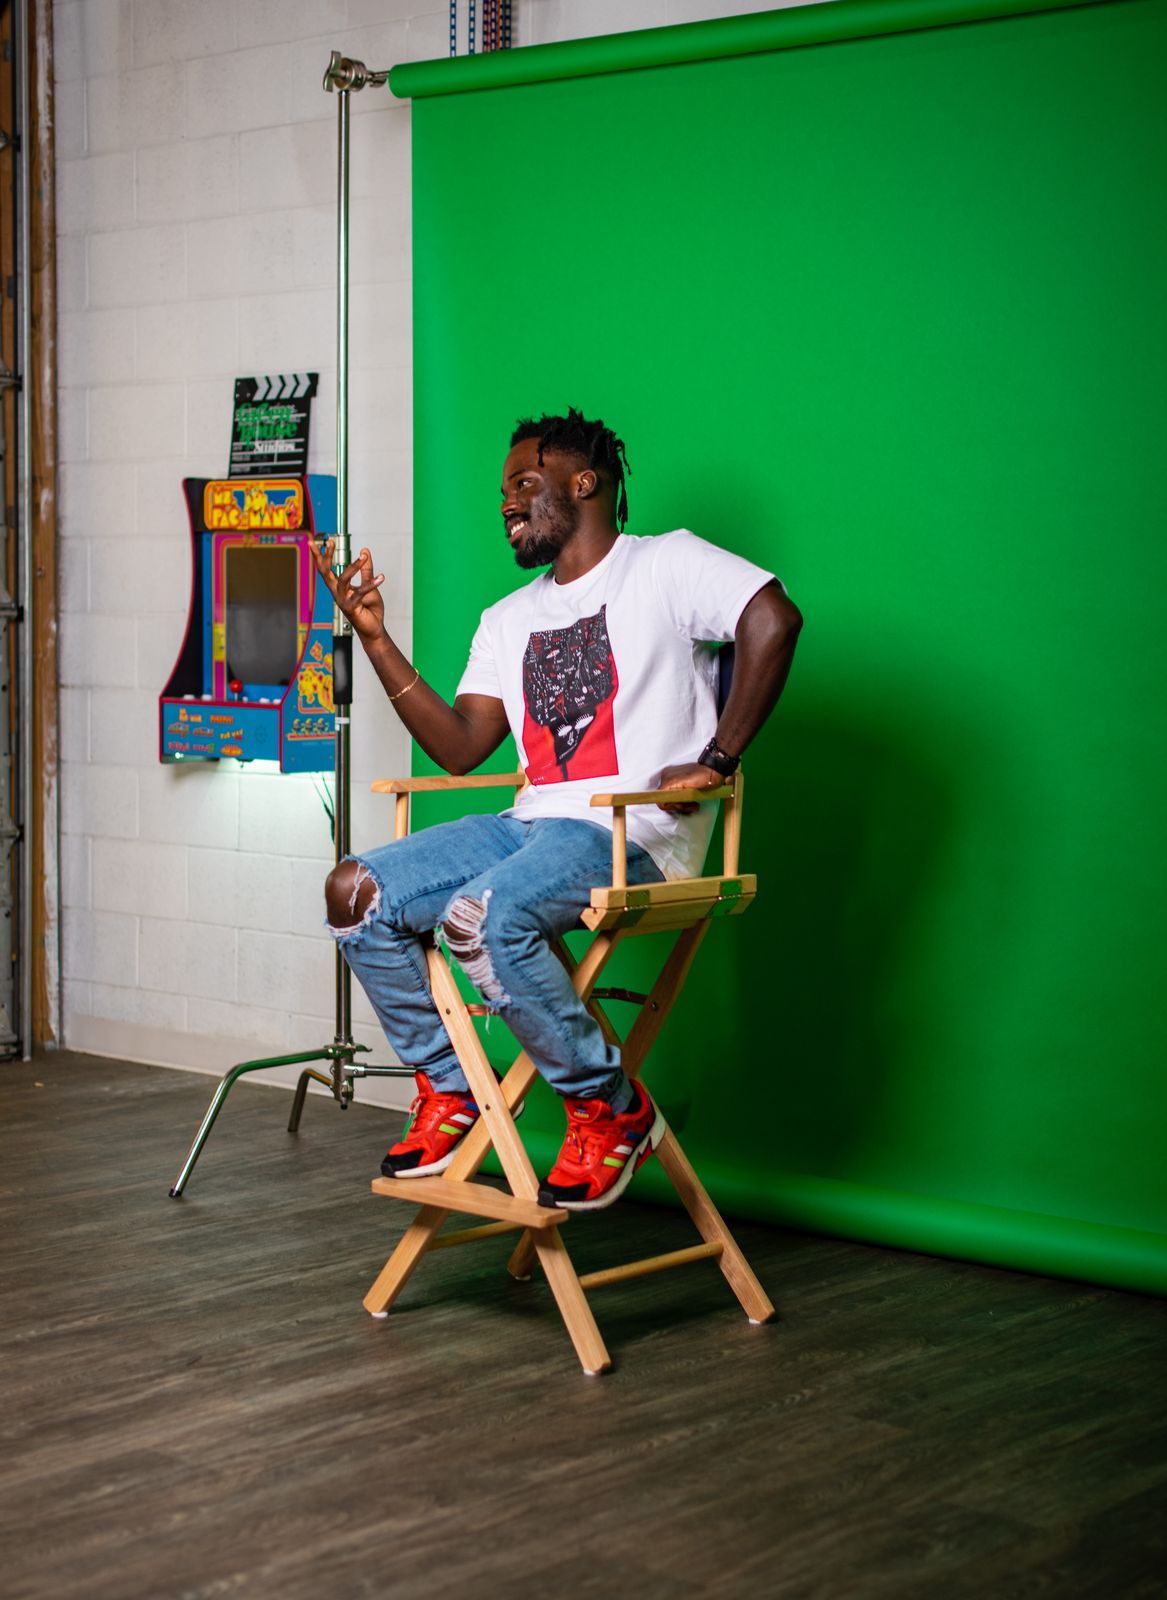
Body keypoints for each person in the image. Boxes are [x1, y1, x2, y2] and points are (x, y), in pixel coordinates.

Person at [312, 408, 802, 1211]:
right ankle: (451, 1087)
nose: (506, 501)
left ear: (583, 483)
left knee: (481, 916)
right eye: (502, 489)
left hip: (633, 831)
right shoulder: (507, 619)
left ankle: (609, 1109)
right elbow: (462, 747)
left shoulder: (663, 564)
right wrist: (373, 638)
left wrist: (718, 758)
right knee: (355, 892)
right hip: (531, 826)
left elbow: (772, 618)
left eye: (523, 483)